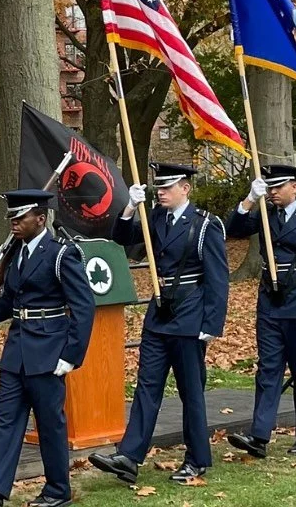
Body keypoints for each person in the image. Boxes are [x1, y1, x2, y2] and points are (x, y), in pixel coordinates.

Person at [0, 189, 95, 507]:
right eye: (12, 218)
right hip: (17, 350)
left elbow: (84, 308)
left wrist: (72, 354)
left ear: (40, 219)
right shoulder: (15, 253)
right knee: (6, 419)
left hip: (48, 351)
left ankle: (58, 491)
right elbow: (11, 302)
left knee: (49, 424)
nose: (14, 224)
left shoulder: (61, 254)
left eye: (20, 218)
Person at [89, 163, 229, 483]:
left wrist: (212, 323)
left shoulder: (206, 225)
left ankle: (197, 459)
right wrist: (128, 208)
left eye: (167, 188)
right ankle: (129, 455)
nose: (161, 193)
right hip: (158, 315)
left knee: (190, 392)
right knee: (147, 387)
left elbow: (218, 279)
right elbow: (123, 239)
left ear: (185, 188)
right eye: (158, 189)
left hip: (190, 314)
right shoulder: (155, 218)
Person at [225, 165, 296, 457]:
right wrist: (249, 200)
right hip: (270, 303)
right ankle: (259, 435)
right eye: (269, 187)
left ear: (294, 187)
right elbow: (233, 230)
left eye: (279, 187)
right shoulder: (265, 215)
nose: (273, 193)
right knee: (268, 369)